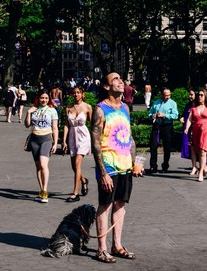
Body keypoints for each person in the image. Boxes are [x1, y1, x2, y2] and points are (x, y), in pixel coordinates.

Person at [91, 71, 142, 263]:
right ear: (106, 86)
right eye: (115, 79)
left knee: (120, 204)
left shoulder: (126, 108)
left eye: (121, 79)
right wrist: (103, 173)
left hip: (124, 165)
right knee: (105, 205)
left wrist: (135, 161)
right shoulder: (100, 109)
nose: (121, 81)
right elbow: (95, 142)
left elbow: (129, 137)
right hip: (109, 166)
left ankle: (117, 245)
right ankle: (102, 249)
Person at [24, 89, 58, 203]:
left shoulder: (52, 110)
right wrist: (28, 113)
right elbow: (27, 125)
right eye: (42, 98)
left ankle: (45, 191)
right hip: (34, 139)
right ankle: (41, 190)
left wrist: (55, 143)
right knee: (38, 167)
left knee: (44, 164)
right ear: (38, 98)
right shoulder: (34, 110)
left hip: (46, 139)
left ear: (49, 99)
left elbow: (55, 128)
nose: (44, 100)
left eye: (46, 98)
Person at [62, 86, 92, 202]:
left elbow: (92, 124)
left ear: (82, 94)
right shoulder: (69, 107)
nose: (76, 95)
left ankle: (75, 193)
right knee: (74, 167)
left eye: (78, 93)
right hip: (72, 137)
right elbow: (66, 125)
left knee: (77, 163)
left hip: (83, 136)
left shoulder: (87, 107)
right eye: (74, 93)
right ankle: (84, 181)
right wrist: (64, 141)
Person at [148, 87, 178, 173]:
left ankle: (165, 165)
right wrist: (152, 115)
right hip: (157, 125)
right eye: (166, 95)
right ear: (162, 95)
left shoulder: (172, 103)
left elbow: (175, 115)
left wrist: (165, 115)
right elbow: (150, 113)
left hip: (167, 126)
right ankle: (153, 166)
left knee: (167, 147)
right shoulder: (156, 102)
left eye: (169, 95)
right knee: (153, 145)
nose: (168, 97)